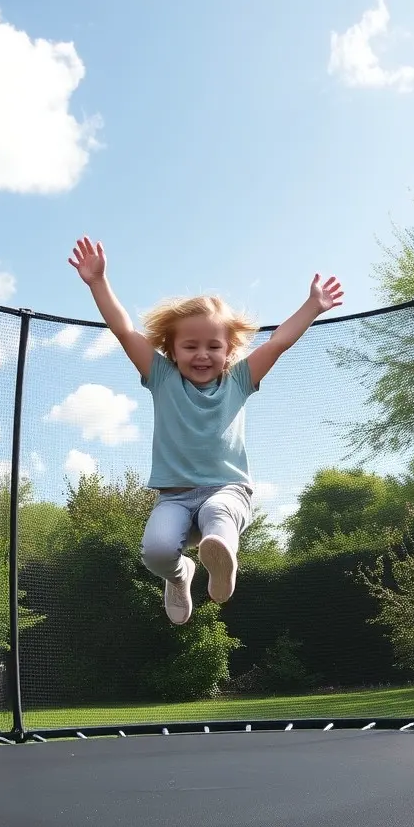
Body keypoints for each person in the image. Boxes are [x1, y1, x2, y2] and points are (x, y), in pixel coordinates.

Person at [68, 235, 343, 624]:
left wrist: (313, 306)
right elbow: (125, 331)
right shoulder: (161, 378)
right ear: (171, 350)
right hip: (175, 498)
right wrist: (98, 282)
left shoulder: (239, 380)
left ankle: (221, 566)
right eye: (190, 346)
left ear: (228, 351)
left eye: (213, 346)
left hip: (227, 490)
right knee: (157, 551)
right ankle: (182, 576)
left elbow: (278, 342)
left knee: (218, 512)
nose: (202, 355)